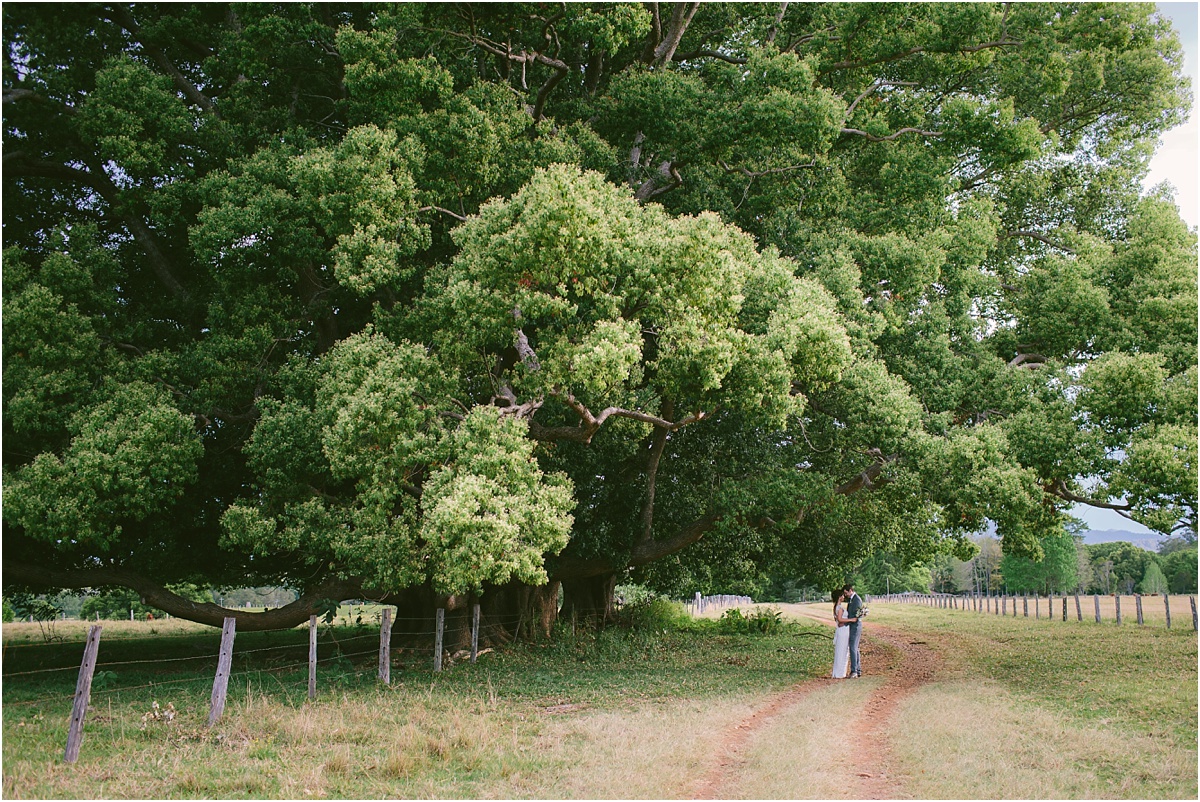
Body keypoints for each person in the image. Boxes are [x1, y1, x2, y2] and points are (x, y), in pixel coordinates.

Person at [831, 588, 854, 678]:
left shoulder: (836, 607)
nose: (844, 597)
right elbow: (840, 620)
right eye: (842, 595)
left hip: (841, 629)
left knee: (841, 650)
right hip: (843, 630)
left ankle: (840, 672)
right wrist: (851, 620)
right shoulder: (839, 608)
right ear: (839, 597)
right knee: (842, 650)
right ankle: (840, 673)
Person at [843, 583, 864, 678]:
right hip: (852, 625)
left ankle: (854, 671)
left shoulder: (857, 600)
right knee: (855, 648)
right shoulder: (852, 600)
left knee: (853, 647)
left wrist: (845, 621)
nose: (845, 595)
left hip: (855, 626)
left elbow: (855, 617)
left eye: (846, 592)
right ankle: (857, 670)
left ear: (850, 590)